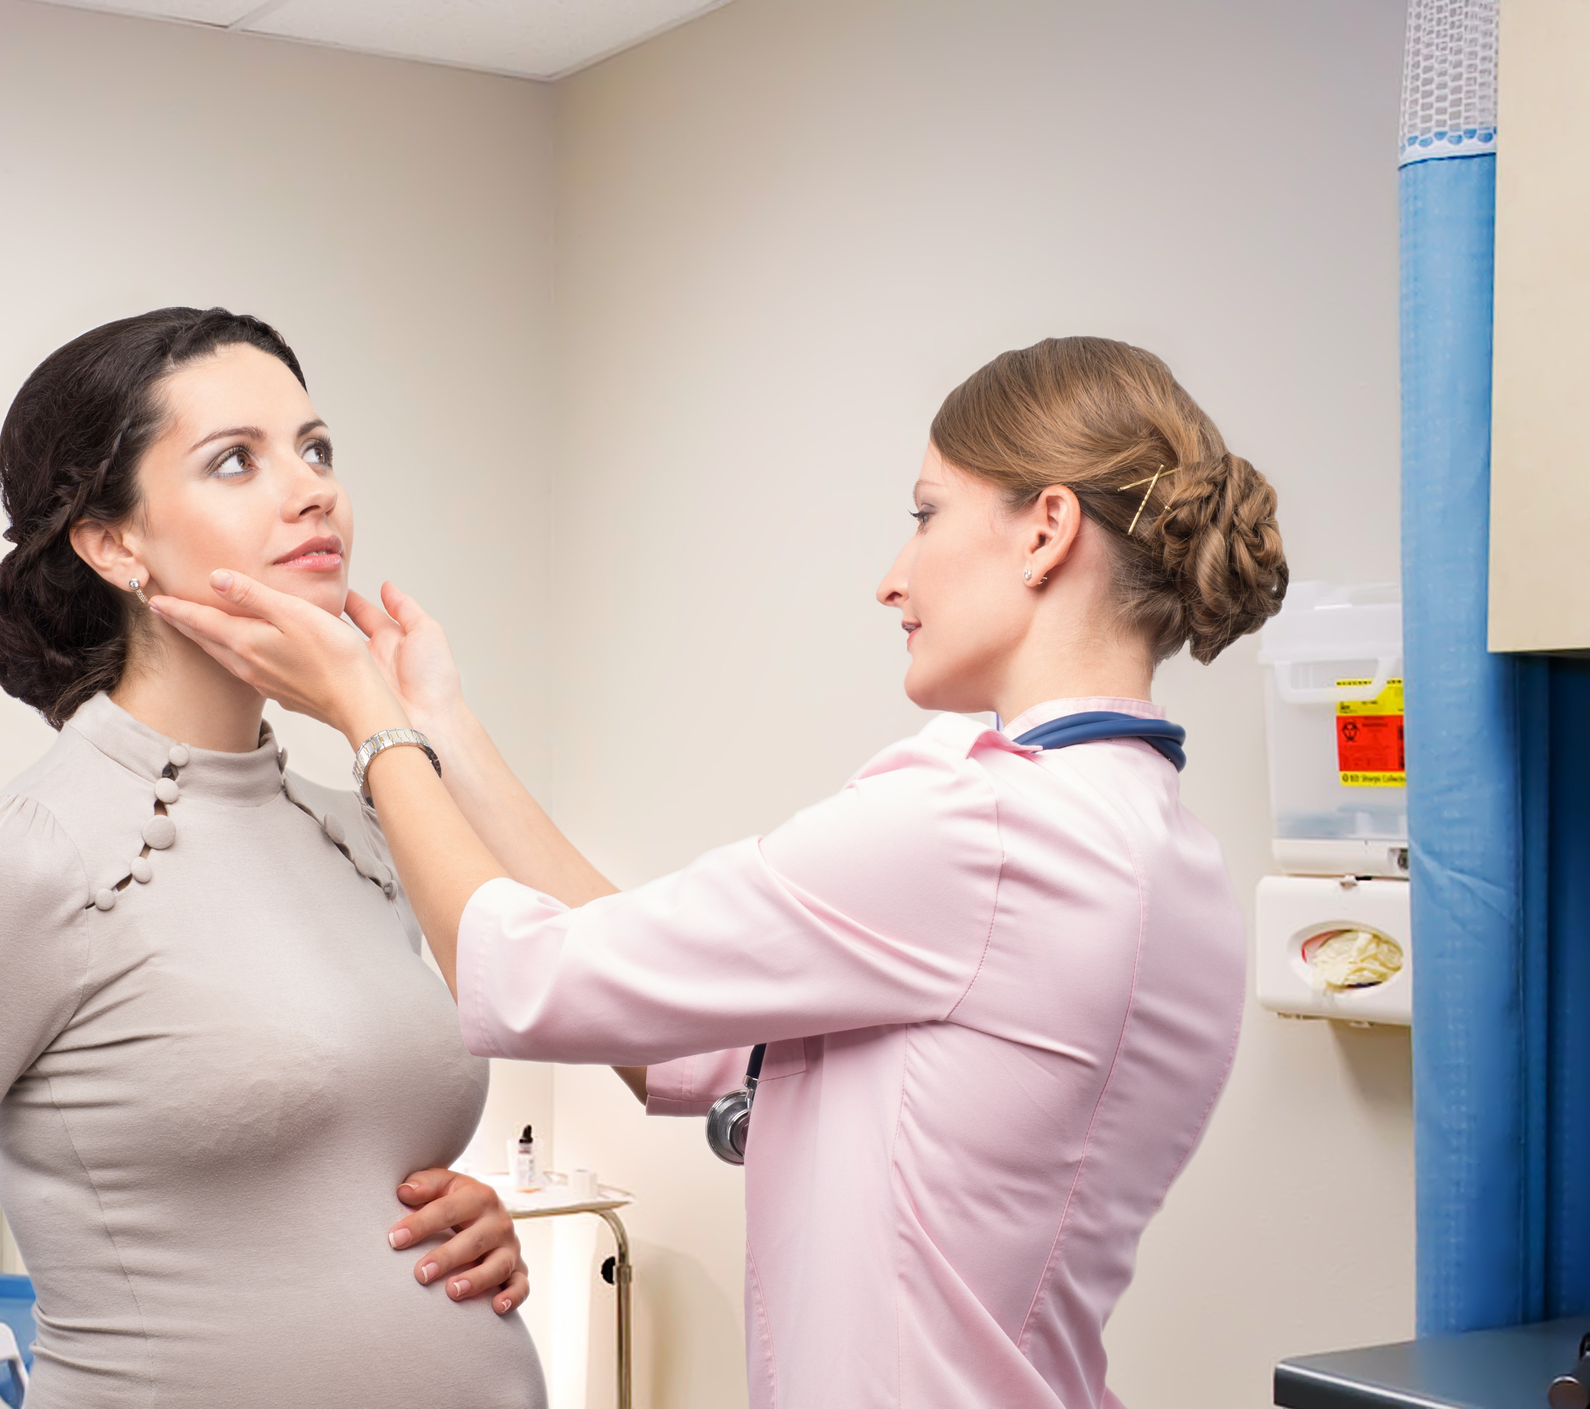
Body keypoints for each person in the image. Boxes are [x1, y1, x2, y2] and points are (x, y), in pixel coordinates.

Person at [148, 335, 1289, 1409]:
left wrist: (366, 717)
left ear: (1045, 530)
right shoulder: (1156, 845)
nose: (892, 578)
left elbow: (533, 976)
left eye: (924, 514)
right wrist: (441, 722)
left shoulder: (976, 822)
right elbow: (665, 1020)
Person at [0, 308, 546, 1409]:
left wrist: (453, 1229)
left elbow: (317, 1187)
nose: (312, 486)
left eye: (315, 447)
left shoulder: (366, 826)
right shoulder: (31, 855)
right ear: (113, 541)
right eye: (237, 459)